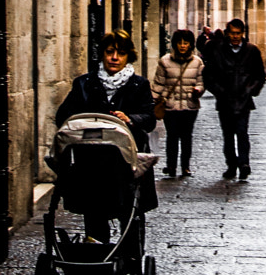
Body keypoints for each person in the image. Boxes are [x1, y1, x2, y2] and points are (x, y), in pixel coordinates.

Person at [54, 30, 158, 227]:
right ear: (102, 53)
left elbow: (149, 119)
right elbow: (63, 116)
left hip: (126, 160)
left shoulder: (139, 84)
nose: (115, 58)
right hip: (92, 159)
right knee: (94, 211)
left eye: (121, 53)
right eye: (110, 52)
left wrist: (130, 118)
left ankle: (130, 253)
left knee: (129, 211)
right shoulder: (84, 83)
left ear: (129, 56)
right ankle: (96, 249)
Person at [201, 16, 266, 180]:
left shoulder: (251, 50)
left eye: (238, 33)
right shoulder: (219, 50)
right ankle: (231, 164)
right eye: (232, 33)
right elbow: (208, 75)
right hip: (225, 100)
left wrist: (251, 90)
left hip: (244, 100)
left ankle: (244, 164)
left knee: (242, 132)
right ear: (227, 33)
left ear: (242, 33)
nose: (235, 36)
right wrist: (219, 91)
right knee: (228, 135)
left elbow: (260, 75)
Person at [152, 28, 205, 178]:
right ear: (175, 44)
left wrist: (198, 90)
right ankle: (171, 166)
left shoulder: (197, 62)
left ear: (190, 45)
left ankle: (185, 166)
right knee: (172, 136)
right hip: (171, 105)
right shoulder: (165, 61)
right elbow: (159, 83)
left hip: (190, 106)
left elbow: (201, 82)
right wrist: (154, 100)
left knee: (187, 136)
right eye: (180, 42)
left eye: (186, 43)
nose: (182, 45)